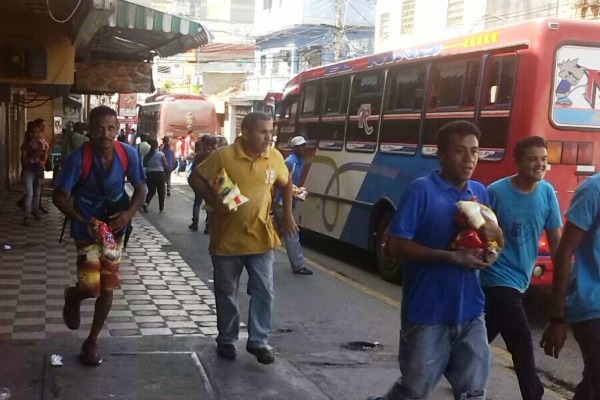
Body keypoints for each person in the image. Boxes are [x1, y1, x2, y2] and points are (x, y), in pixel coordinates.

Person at [368, 120, 503, 400]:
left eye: (475, 151)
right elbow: (395, 246)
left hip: (471, 312)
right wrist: (451, 257)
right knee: (413, 391)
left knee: (474, 392)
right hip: (427, 312)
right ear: (441, 154)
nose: (469, 159)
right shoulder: (421, 190)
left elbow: (493, 244)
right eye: (460, 151)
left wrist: (494, 242)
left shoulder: (480, 191)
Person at [189, 112, 297, 365]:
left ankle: (259, 341)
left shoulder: (275, 157)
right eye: (262, 131)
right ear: (246, 132)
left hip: (262, 238)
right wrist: (214, 200)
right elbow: (195, 177)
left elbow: (286, 183)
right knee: (227, 292)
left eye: (270, 132)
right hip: (227, 240)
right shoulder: (224, 156)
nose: (268, 137)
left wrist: (288, 215)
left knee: (264, 290)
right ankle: (227, 339)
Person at [53, 105, 147, 366]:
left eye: (110, 128)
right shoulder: (77, 159)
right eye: (99, 128)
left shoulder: (127, 154)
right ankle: (74, 296)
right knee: (90, 286)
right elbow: (58, 197)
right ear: (89, 130)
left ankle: (92, 341)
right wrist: (83, 220)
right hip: (86, 232)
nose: (105, 134)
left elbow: (142, 187)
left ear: (117, 129)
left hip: (114, 233)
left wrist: (128, 215)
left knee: (108, 285)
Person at [480, 136, 562, 400]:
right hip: (496, 276)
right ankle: (533, 392)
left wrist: (566, 278)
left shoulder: (547, 192)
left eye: (544, 159)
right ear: (517, 162)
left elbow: (556, 239)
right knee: (520, 338)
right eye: (533, 159)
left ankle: (453, 366)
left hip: (520, 277)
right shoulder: (496, 192)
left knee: (484, 334)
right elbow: (480, 233)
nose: (540, 164)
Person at [540, 174, 600, 399]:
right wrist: (558, 318)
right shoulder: (594, 189)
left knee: (592, 385)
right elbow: (565, 251)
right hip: (591, 304)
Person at [272, 135, 312, 275]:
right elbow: (282, 183)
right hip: (282, 204)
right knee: (291, 232)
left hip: (285, 202)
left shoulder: (299, 161)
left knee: (275, 233)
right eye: (300, 146)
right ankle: (298, 265)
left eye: (304, 146)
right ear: (294, 148)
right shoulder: (290, 162)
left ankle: (261, 258)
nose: (303, 148)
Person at [188, 134, 218, 233]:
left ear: (203, 143)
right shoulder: (214, 154)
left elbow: (195, 169)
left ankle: (195, 223)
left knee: (197, 203)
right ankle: (208, 226)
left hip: (199, 182)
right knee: (209, 204)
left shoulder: (199, 154)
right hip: (210, 182)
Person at [20, 120, 45, 226]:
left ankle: (35, 211)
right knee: (29, 193)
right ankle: (27, 216)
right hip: (28, 171)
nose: (37, 134)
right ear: (30, 133)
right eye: (34, 132)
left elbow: (43, 158)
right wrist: (33, 154)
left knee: (37, 193)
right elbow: (23, 161)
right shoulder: (26, 145)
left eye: (38, 132)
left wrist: (43, 151)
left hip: (38, 171)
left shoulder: (40, 143)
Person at [142, 139, 169, 213]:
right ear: (157, 146)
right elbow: (165, 165)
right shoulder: (160, 154)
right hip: (160, 174)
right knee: (161, 192)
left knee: (151, 191)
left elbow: (144, 165)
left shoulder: (146, 155)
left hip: (149, 174)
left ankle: (146, 203)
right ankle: (161, 209)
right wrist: (168, 172)